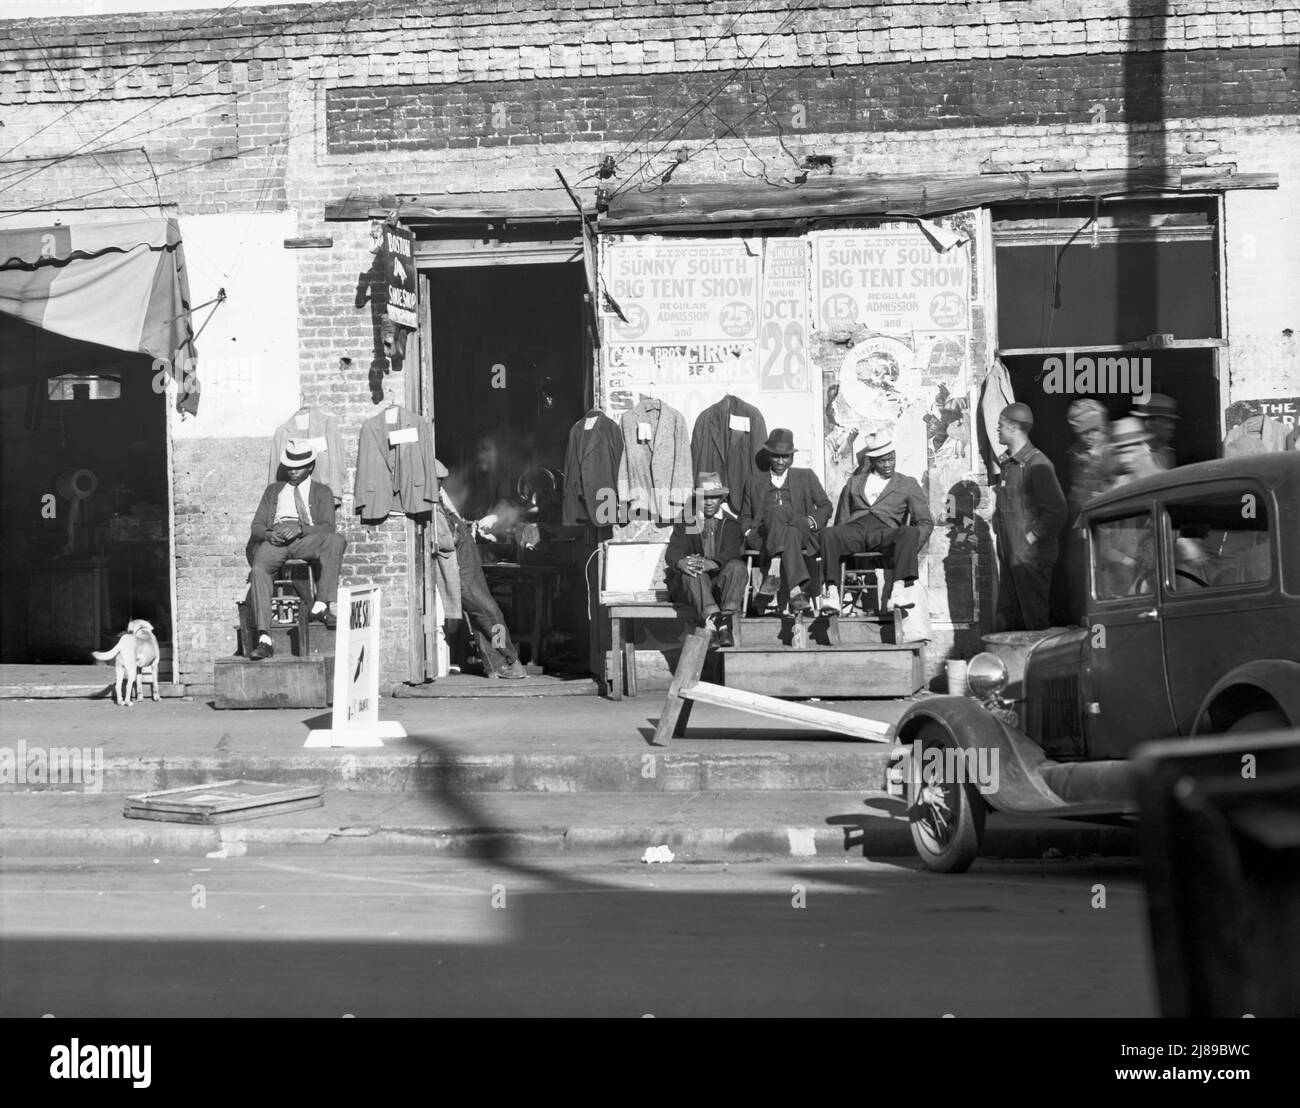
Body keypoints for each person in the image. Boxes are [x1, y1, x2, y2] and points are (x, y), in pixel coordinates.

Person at [244, 444, 346, 661]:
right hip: (277, 538)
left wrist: (301, 529)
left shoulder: (322, 491)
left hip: (304, 538)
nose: (292, 471)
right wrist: (269, 534)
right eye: (289, 466)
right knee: (259, 570)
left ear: (310, 467)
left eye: (298, 467)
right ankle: (264, 639)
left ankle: (321, 605)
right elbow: (257, 525)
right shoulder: (274, 490)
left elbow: (328, 527)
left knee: (336, 541)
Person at [818, 434, 933, 616]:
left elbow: (926, 522)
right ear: (872, 460)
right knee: (828, 534)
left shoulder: (907, 483)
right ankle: (831, 592)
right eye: (882, 461)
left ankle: (898, 590)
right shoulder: (855, 482)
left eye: (891, 459)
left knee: (909, 532)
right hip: (855, 529)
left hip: (885, 531)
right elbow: (842, 518)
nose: (888, 464)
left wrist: (908, 550)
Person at [435, 468, 527, 680]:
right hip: (462, 572)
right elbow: (445, 541)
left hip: (470, 567)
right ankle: (510, 659)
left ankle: (495, 666)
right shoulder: (436, 510)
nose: (441, 487)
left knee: (482, 617)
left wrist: (470, 527)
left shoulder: (444, 507)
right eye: (438, 482)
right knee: (490, 614)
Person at [738, 429, 832, 614]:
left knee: (779, 513)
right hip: (764, 535)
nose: (781, 461)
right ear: (769, 456)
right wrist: (748, 532)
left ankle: (774, 568)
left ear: (792, 457)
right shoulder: (754, 481)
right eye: (776, 457)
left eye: (786, 457)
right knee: (784, 525)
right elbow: (745, 515)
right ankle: (796, 591)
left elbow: (825, 506)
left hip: (801, 529)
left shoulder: (806, 476)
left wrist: (811, 522)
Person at [992, 403, 1067, 632]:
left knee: (1034, 619)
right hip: (1011, 555)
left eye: (1001, 425)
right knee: (1008, 617)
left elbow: (1057, 510)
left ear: (1014, 427)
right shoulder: (1008, 464)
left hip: (1030, 558)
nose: (997, 430)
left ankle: (1038, 667)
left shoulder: (1037, 463)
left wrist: (1031, 537)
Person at [665, 472, 748, 646]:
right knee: (692, 571)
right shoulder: (688, 522)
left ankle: (724, 616)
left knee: (737, 567)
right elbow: (673, 552)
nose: (709, 502)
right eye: (704, 498)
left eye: (714, 498)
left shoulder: (730, 524)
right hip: (692, 587)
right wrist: (681, 562)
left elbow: (731, 553)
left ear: (721, 498)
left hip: (717, 585)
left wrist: (710, 563)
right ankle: (721, 624)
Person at [1132, 393, 1178, 469]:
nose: (1172, 427)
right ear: (1149, 423)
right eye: (1166, 422)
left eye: (1172, 422)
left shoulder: (1169, 455)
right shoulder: (1132, 457)